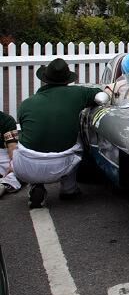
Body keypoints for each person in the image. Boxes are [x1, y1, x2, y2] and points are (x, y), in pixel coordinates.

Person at [15, 58, 102, 208]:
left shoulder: (27, 103)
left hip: (24, 166)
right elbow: (101, 95)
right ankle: (69, 189)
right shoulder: (78, 93)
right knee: (78, 139)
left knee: (33, 139)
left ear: (45, 79)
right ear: (67, 80)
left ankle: (36, 185)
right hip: (62, 163)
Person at [0, 111, 21, 197]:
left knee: (19, 168)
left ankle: (5, 184)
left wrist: (13, 164)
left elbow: (12, 146)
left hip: (3, 153)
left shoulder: (6, 120)